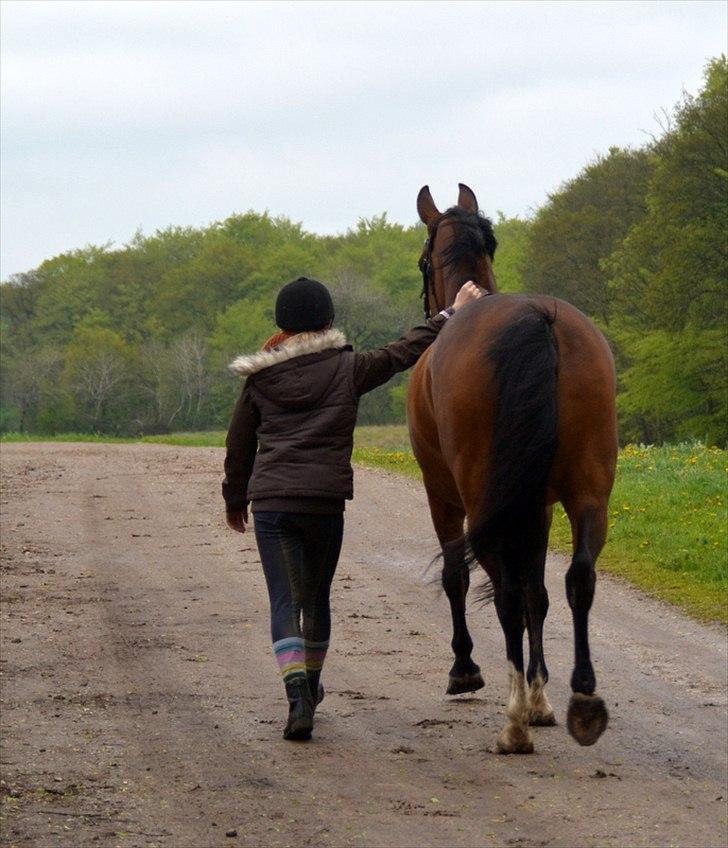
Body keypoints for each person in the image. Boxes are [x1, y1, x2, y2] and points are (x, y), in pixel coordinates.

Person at [223, 276, 484, 741]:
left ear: (281, 325)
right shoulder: (348, 369)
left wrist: (234, 499)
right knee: (316, 599)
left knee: (284, 601)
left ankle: (298, 697)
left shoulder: (259, 379)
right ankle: (314, 683)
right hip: (323, 504)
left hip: (273, 507)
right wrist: (450, 314)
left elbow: (239, 444)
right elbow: (403, 352)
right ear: (329, 321)